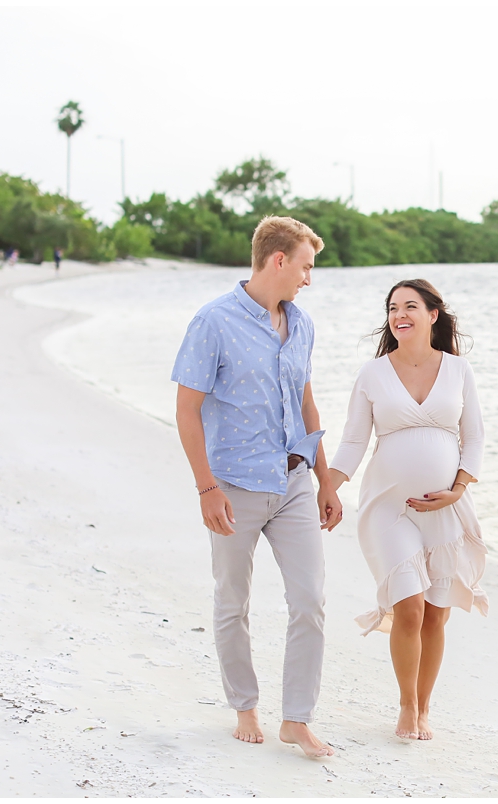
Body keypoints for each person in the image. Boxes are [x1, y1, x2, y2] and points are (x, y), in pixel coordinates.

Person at [172, 215, 343, 758]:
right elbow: (187, 410)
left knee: (311, 599)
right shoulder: (213, 322)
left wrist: (325, 479)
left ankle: (296, 719)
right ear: (278, 260)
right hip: (235, 486)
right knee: (233, 601)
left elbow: (306, 403)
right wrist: (206, 489)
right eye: (306, 267)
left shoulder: (303, 325)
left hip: (293, 482)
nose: (308, 280)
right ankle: (245, 707)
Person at [328, 278, 488, 741]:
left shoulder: (458, 371)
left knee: (437, 612)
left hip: (444, 510)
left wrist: (458, 489)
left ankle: (425, 708)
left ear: (432, 315)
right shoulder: (373, 374)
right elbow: (354, 441)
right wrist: (329, 487)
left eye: (411, 306)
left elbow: (474, 438)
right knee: (410, 608)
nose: (400, 314)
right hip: (388, 508)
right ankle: (406, 705)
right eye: (394, 307)